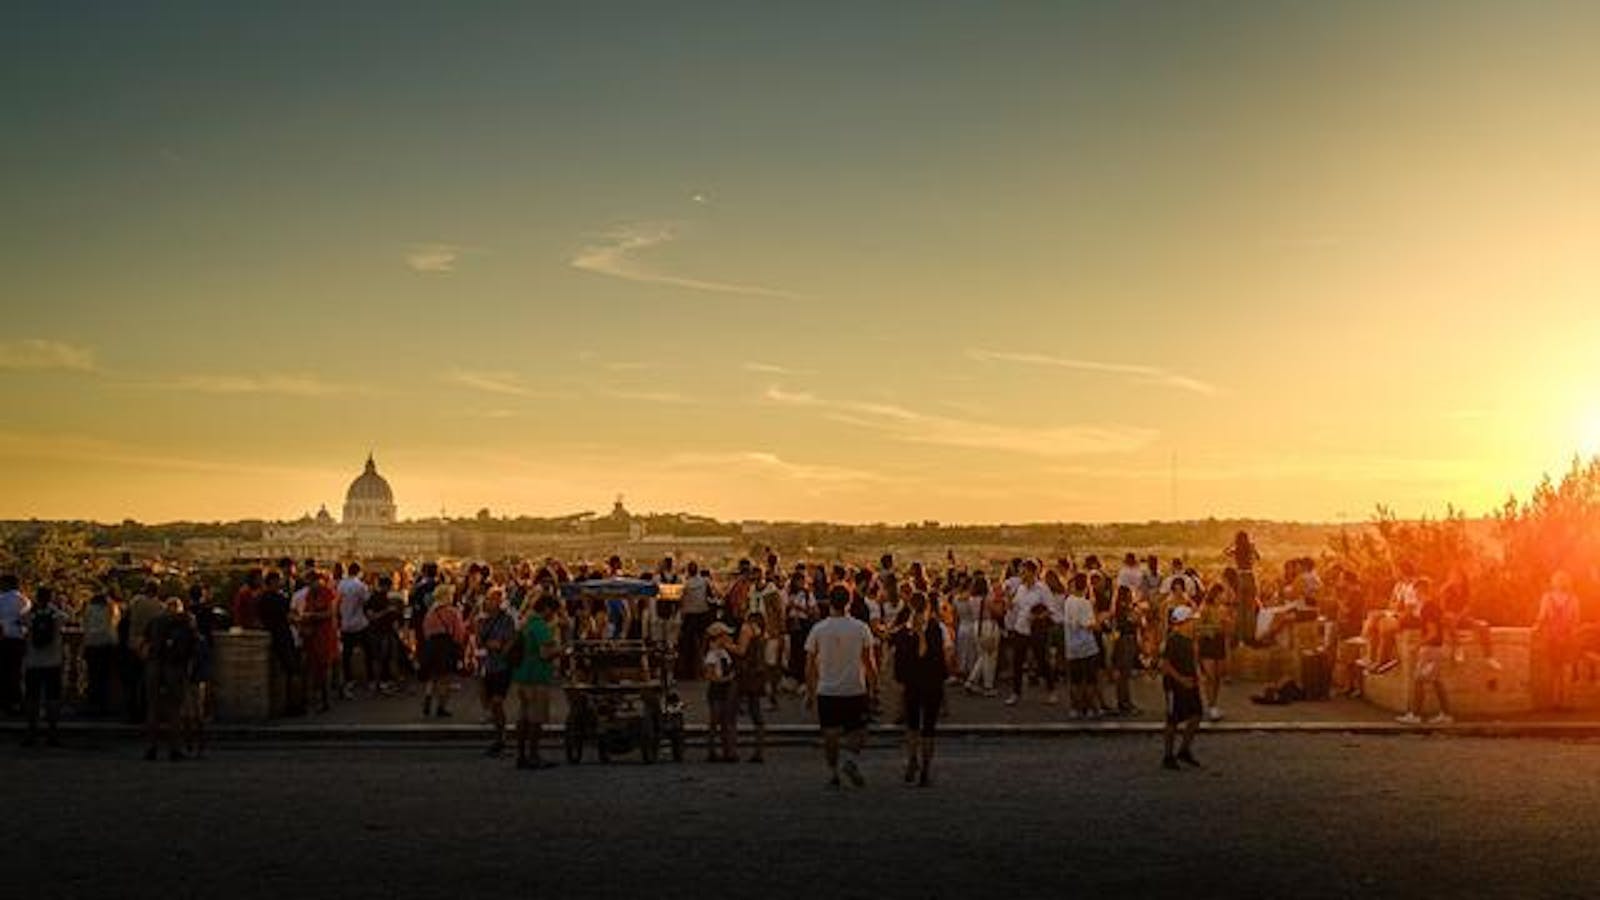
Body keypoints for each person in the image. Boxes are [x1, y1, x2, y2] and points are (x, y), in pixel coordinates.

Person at [806, 585, 877, 789]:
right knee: (859, 731)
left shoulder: (819, 629)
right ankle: (850, 761)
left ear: (830, 602)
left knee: (830, 734)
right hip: (854, 687)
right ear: (849, 602)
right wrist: (874, 685)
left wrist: (810, 691)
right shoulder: (861, 628)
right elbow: (869, 661)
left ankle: (833, 772)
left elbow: (809, 664)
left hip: (827, 689)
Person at [891, 592, 953, 787]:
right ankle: (925, 769)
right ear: (928, 607)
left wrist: (900, 679)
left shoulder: (902, 632)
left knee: (912, 726)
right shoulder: (938, 628)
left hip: (911, 683)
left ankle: (912, 759)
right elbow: (946, 654)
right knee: (928, 728)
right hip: (933, 682)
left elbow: (898, 659)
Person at [144, 597, 198, 761]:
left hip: (154, 665)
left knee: (153, 708)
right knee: (174, 709)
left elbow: (145, 643)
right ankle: (174, 748)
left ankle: (152, 747)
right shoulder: (185, 622)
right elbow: (193, 647)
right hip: (175, 668)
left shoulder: (155, 622)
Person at [511, 595, 562, 770]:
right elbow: (545, 653)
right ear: (546, 609)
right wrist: (561, 650)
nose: (553, 616)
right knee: (536, 718)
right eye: (553, 611)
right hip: (537, 676)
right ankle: (534, 755)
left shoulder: (525, 624)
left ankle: (521, 755)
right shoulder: (540, 627)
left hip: (521, 674)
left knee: (523, 717)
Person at [1397, 580, 1453, 725]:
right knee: (1436, 681)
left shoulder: (1427, 608)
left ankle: (1416, 715)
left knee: (1418, 680)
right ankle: (1446, 714)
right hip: (1436, 649)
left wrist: (1417, 646)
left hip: (1430, 650)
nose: (1415, 596)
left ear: (1421, 591)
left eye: (1416, 592)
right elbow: (1443, 625)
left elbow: (1432, 633)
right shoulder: (1435, 606)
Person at [1005, 560, 1057, 707]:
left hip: (1036, 629)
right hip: (1020, 628)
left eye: (1024, 572)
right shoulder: (1021, 588)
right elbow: (1014, 606)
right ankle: (1016, 693)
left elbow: (1051, 609)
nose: (1021, 574)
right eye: (1020, 572)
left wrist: (1038, 616)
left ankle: (1051, 691)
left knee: (1042, 661)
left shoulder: (1042, 589)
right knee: (1017, 662)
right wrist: (1008, 599)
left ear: (1032, 572)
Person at [20, 586, 67, 747]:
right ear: (50, 597)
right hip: (53, 661)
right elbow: (66, 618)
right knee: (53, 698)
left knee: (32, 698)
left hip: (33, 662)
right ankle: (52, 732)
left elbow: (21, 620)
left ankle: (31, 731)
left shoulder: (29, 615)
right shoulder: (57, 615)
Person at [1161, 605, 1203, 771]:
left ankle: (1184, 750)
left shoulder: (1190, 640)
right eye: (1191, 620)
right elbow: (1166, 665)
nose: (1194, 624)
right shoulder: (1173, 640)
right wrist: (1181, 680)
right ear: (1184, 622)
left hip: (1189, 683)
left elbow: (1193, 661)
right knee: (1172, 720)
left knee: (1196, 714)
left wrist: (1198, 676)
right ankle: (1168, 756)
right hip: (1174, 685)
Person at [476, 587, 518, 756]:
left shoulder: (507, 620)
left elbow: (509, 641)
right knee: (491, 704)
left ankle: (501, 737)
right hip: (489, 665)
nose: (488, 602)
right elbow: (480, 641)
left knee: (497, 702)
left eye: (492, 600)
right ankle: (499, 736)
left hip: (503, 666)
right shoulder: (484, 621)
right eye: (487, 599)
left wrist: (500, 647)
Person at [1533, 571, 1580, 712]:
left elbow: (1542, 617)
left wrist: (1536, 627)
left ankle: (1558, 702)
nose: (1560, 582)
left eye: (1561, 580)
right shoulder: (1572, 599)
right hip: (1561, 636)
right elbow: (1576, 619)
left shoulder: (1548, 598)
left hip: (1556, 636)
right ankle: (1563, 702)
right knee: (1561, 669)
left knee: (1558, 669)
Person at [257, 571, 302, 715]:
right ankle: (293, 705)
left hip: (269, 636)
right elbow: (289, 616)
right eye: (279, 580)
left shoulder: (261, 598)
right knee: (292, 670)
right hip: (282, 636)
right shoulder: (279, 598)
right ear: (273, 582)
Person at [420, 584, 467, 718]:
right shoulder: (452, 612)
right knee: (444, 678)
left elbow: (425, 630)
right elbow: (459, 632)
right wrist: (459, 646)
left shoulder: (431, 612)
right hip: (446, 645)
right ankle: (441, 707)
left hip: (431, 645)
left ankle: (428, 697)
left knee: (432, 675)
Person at [295, 570, 339, 714]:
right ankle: (312, 699)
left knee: (324, 669)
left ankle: (325, 700)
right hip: (311, 636)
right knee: (310, 669)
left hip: (324, 636)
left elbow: (330, 612)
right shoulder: (309, 594)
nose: (310, 585)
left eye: (311, 582)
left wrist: (313, 616)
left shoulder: (327, 592)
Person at [1061, 573, 1101, 719]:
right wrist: (1099, 619)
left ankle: (1075, 708)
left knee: (1075, 680)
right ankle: (1089, 707)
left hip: (1071, 646)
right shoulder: (1085, 603)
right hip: (1087, 647)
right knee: (1090, 680)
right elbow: (1091, 625)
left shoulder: (1068, 601)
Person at [734, 611, 769, 762]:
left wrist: (727, 645)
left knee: (731, 710)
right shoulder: (760, 634)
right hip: (757, 674)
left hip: (747, 674)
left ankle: (732, 749)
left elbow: (741, 650)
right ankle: (758, 750)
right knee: (756, 712)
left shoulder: (746, 629)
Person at [703, 621, 739, 762]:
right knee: (715, 720)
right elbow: (709, 675)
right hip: (717, 689)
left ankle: (726, 750)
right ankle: (712, 750)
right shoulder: (712, 655)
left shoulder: (723, 652)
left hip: (724, 688)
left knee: (724, 720)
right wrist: (725, 679)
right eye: (726, 635)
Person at [81, 590, 121, 715]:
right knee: (105, 676)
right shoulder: (111, 608)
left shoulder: (89, 609)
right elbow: (115, 622)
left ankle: (93, 702)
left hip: (91, 644)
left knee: (93, 675)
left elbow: (85, 624)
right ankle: (105, 703)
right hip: (106, 644)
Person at [336, 562, 372, 700]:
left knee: (347, 653)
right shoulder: (360, 585)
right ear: (359, 572)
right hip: (360, 624)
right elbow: (366, 601)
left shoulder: (341, 584)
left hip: (346, 624)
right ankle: (369, 678)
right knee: (368, 651)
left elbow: (337, 602)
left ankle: (348, 679)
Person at [0, 574, 32, 715]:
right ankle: (17, 702)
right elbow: (27, 621)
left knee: (3, 673)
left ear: (7, 584)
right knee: (16, 672)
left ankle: (5, 703)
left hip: (3, 639)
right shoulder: (24, 600)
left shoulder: (1, 599)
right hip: (18, 640)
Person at [1196, 584, 1229, 721]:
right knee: (1210, 677)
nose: (1225, 596)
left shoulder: (1224, 609)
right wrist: (1213, 628)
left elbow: (1226, 630)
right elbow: (1198, 627)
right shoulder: (1205, 608)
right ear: (1216, 594)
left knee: (1218, 677)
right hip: (1208, 643)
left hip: (1219, 642)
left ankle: (1214, 704)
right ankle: (1210, 706)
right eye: (1223, 594)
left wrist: (1226, 625)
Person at [1108, 585, 1142, 715]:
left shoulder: (1120, 609)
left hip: (1124, 640)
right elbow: (1136, 621)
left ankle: (1124, 702)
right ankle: (1124, 703)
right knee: (1124, 674)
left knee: (1124, 674)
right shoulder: (1124, 610)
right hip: (1126, 641)